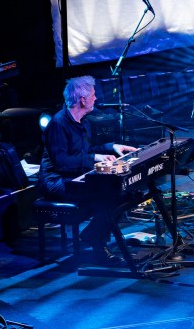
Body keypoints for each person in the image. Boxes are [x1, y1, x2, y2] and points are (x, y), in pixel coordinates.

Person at [37, 76, 137, 265]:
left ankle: (93, 235)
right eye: (93, 95)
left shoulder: (83, 122)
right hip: (55, 181)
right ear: (82, 99)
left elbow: (85, 153)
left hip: (73, 176)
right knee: (107, 195)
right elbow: (62, 163)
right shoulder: (58, 124)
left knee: (123, 192)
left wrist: (111, 146)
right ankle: (97, 243)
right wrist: (94, 159)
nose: (95, 98)